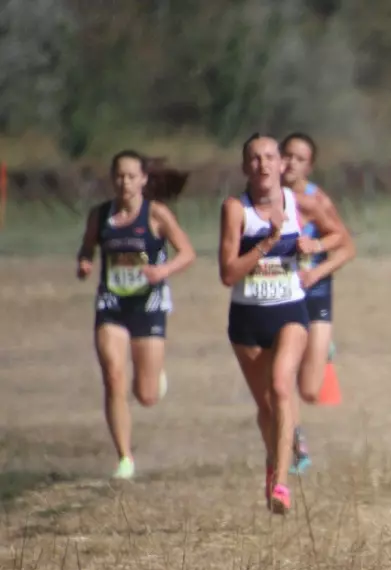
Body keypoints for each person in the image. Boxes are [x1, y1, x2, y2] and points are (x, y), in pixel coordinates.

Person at [219, 133, 349, 515]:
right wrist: (265, 243)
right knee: (266, 407)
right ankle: (273, 462)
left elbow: (340, 235)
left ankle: (281, 485)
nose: (263, 164)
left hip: (290, 310)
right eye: (254, 158)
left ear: (281, 165)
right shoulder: (234, 209)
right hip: (246, 316)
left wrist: (317, 247)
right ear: (245, 167)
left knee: (281, 387)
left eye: (269, 157)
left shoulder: (300, 203)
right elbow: (228, 273)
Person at [76, 149, 197, 480]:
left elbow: (187, 253)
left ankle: (154, 378)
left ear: (143, 179)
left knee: (145, 395)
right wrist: (85, 262)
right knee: (114, 376)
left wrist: (164, 271)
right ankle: (125, 458)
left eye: (131, 176)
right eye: (118, 176)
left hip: (148, 305)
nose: (124, 182)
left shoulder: (156, 215)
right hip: (112, 303)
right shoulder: (100, 216)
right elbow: (87, 247)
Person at [280, 132, 356, 475]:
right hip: (282, 297)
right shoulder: (266, 199)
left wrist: (316, 264)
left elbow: (346, 246)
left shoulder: (315, 200)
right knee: (283, 378)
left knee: (310, 390)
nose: (291, 163)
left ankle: (323, 346)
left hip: (315, 292)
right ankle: (297, 445)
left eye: (299, 158)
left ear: (309, 166)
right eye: (287, 155)